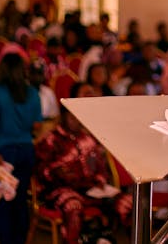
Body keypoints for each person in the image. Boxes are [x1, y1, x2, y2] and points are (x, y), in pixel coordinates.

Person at [34, 82, 133, 244]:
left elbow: (101, 167)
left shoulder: (87, 139)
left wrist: (100, 181)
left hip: (91, 190)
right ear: (64, 115)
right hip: (61, 191)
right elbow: (41, 170)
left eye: (78, 116)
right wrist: (58, 172)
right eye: (72, 116)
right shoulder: (51, 139)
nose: (75, 120)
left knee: (127, 203)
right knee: (73, 207)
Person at [0, 52, 43, 243]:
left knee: (4, 203)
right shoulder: (32, 92)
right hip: (26, 150)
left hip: (4, 153)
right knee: (20, 201)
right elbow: (37, 125)